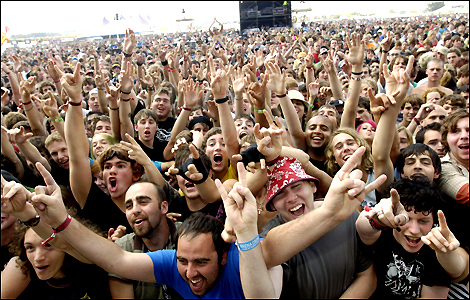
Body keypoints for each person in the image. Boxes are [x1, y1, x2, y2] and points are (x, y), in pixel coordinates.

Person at [3, 161, 279, 299]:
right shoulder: (125, 247)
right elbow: (80, 248)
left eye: (143, 201)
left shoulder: (194, 238)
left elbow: (267, 255)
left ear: (164, 207)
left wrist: (244, 232)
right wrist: (46, 217)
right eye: (129, 204)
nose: (134, 209)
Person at [356, 178, 468, 298]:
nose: (414, 230)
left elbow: (457, 271)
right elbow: (363, 228)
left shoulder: (436, 245)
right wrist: (378, 220)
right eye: (407, 219)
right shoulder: (385, 230)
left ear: (433, 222)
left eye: (423, 221)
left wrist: (446, 253)